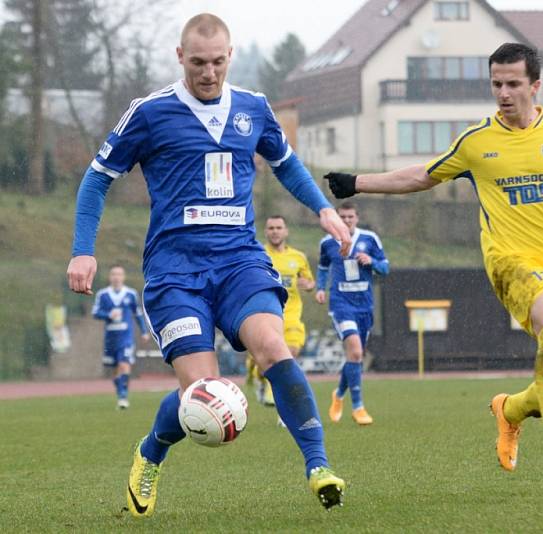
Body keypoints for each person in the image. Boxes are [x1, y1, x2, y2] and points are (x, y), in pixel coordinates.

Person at [66, 14, 350, 517]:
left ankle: (318, 466)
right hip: (175, 271)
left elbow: (287, 165)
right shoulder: (150, 113)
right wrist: (83, 249)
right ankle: (151, 451)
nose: (209, 72)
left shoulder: (254, 109)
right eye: (198, 62)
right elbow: (96, 179)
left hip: (239, 260)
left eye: (218, 61)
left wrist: (323, 209)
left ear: (230, 56)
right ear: (180, 57)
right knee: (205, 393)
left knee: (272, 344)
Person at [325, 43, 543, 478]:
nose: (503, 92)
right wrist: (358, 182)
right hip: (511, 261)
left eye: (513, 83)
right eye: (496, 83)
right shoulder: (477, 141)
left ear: (535, 86)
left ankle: (511, 409)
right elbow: (422, 175)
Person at [315, 201, 389, 426]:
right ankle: (358, 407)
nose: (346, 221)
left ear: (357, 218)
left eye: (350, 217)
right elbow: (323, 267)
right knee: (356, 351)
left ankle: (338, 394)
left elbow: (385, 269)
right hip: (341, 304)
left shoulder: (370, 239)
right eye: (342, 217)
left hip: (364, 305)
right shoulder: (327, 242)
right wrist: (320, 288)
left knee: (354, 357)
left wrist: (372, 262)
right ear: (336, 218)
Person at [246, 216, 315, 422]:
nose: (275, 231)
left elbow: (309, 281)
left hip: (291, 315)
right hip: (265, 313)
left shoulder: (299, 257)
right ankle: (260, 380)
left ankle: (281, 409)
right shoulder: (257, 253)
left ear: (286, 231)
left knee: (289, 354)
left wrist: (308, 285)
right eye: (271, 228)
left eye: (279, 227)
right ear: (266, 232)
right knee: (263, 359)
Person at [92, 264, 149, 409]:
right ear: (109, 277)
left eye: (119, 274)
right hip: (111, 338)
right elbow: (95, 313)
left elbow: (138, 314)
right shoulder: (102, 295)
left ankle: (123, 396)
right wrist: (108, 315)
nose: (116, 277)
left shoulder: (130, 294)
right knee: (115, 369)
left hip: (126, 336)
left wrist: (143, 331)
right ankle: (120, 394)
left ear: (123, 277)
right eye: (113, 274)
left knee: (124, 363)